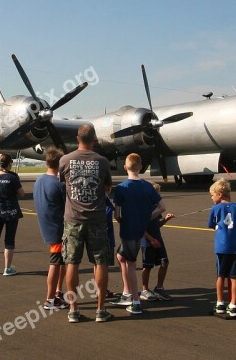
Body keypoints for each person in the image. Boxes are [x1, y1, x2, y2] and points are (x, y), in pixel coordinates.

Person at [58, 124, 113, 323]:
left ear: (77, 138)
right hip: (97, 219)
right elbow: (107, 188)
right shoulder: (103, 161)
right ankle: (101, 309)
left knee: (72, 262)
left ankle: (73, 309)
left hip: (73, 220)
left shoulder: (65, 160)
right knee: (100, 262)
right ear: (94, 139)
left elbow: (63, 184)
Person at [112, 153, 164, 315]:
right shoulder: (148, 186)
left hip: (129, 231)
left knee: (131, 265)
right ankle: (128, 293)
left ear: (125, 167)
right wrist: (146, 218)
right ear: (141, 167)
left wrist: (126, 220)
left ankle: (135, 301)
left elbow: (117, 215)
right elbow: (161, 207)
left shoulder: (121, 188)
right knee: (121, 257)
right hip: (139, 228)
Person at [33, 148, 69, 310]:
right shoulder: (58, 184)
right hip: (57, 229)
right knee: (55, 263)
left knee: (60, 262)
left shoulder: (39, 181)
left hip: (47, 226)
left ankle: (57, 293)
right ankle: (49, 300)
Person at [207, 179, 236, 317]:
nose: (212, 198)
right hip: (235, 247)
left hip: (221, 247)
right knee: (234, 277)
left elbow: (211, 224)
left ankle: (220, 302)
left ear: (219, 194)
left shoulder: (215, 209)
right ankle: (233, 304)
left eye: (212, 195)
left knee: (221, 275)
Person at [140, 182, 175, 302]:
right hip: (147, 241)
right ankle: (144, 290)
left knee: (164, 262)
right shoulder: (143, 208)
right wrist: (151, 240)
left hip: (157, 239)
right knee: (147, 266)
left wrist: (166, 219)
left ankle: (159, 288)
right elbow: (140, 228)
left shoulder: (157, 208)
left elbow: (157, 224)